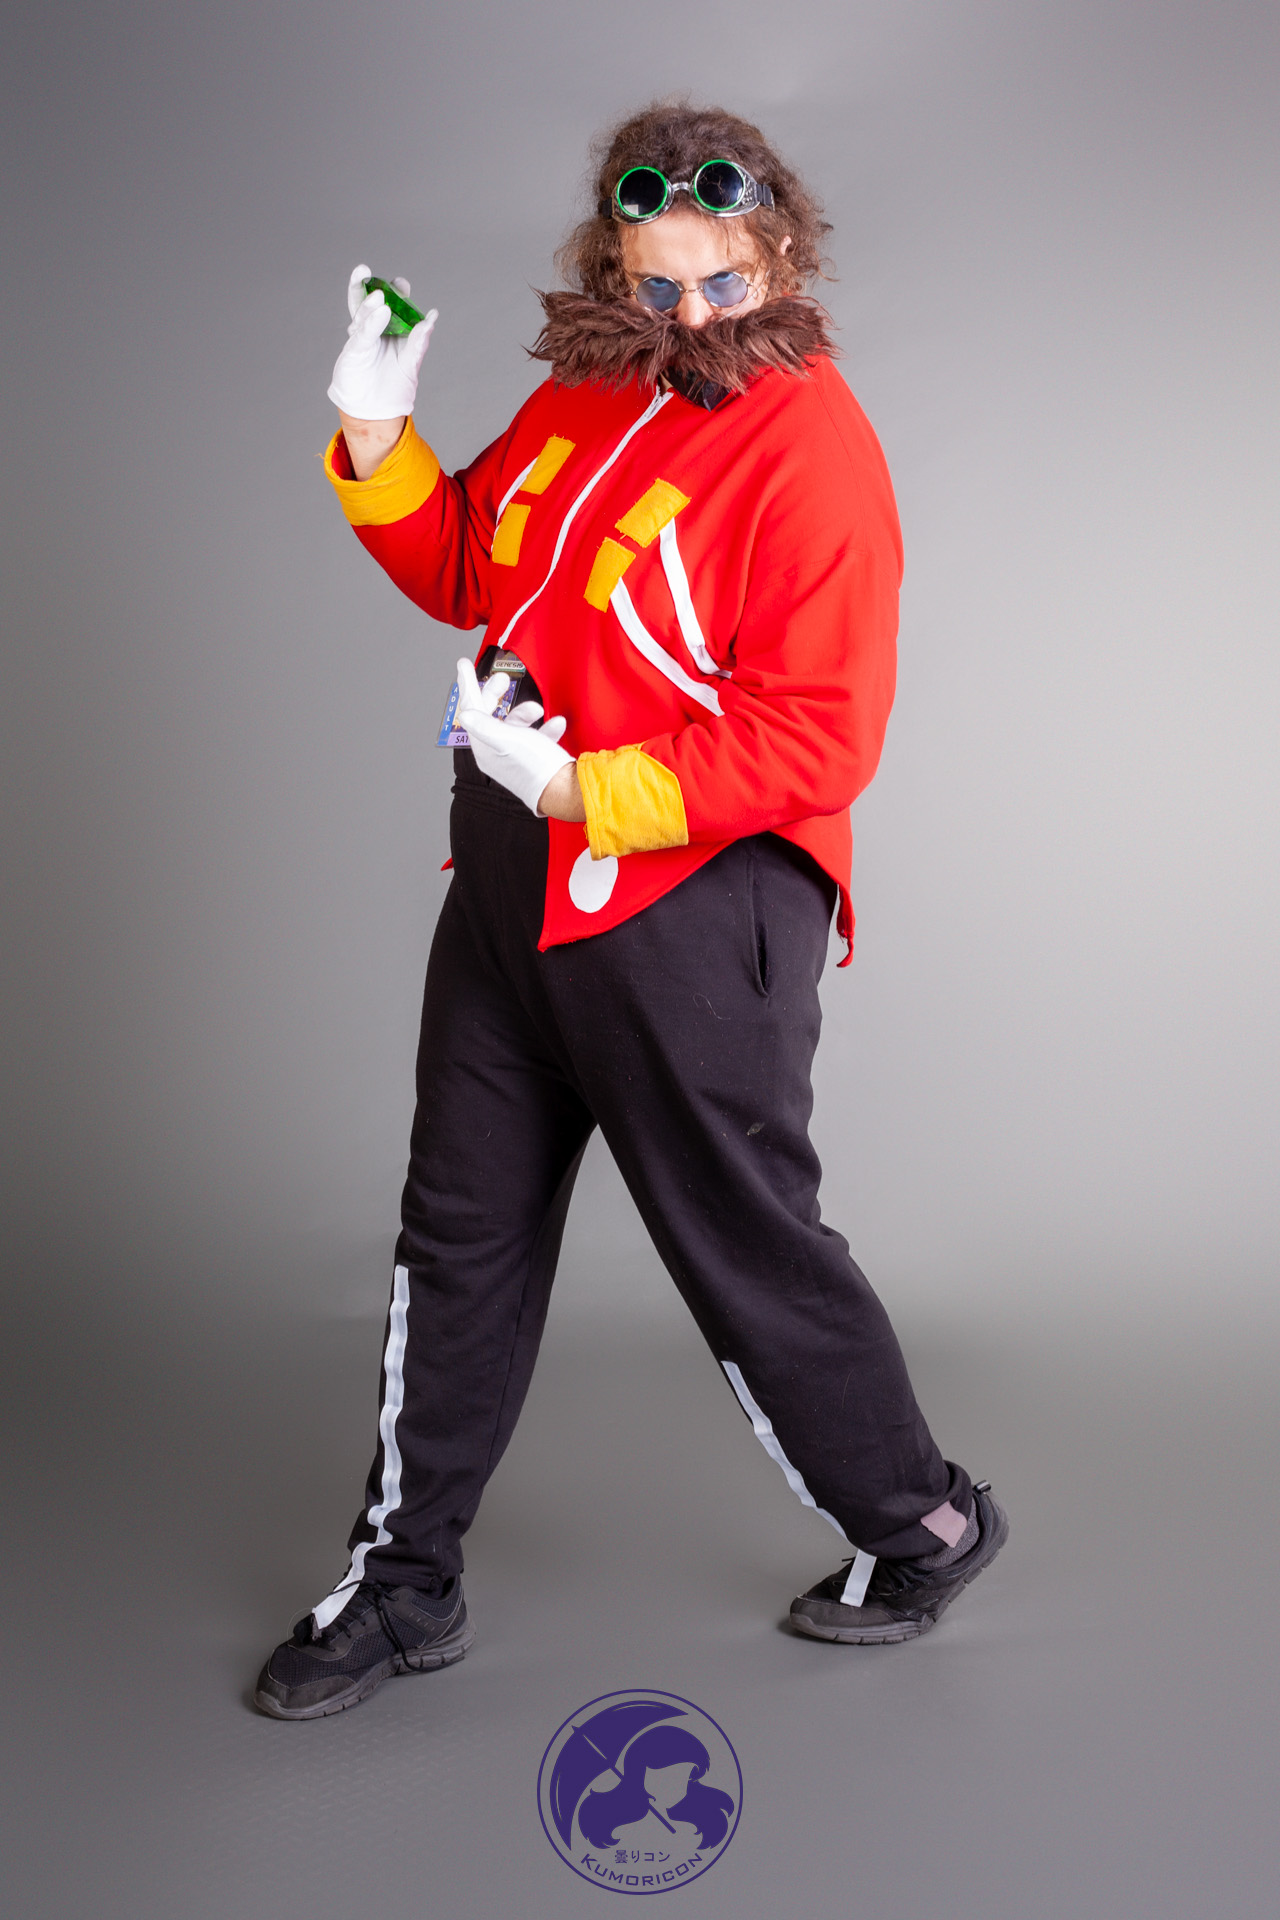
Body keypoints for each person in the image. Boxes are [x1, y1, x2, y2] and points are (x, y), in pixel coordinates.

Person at [254, 101, 1008, 1722]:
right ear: (614, 269)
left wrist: (585, 790)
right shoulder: (588, 385)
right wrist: (377, 431)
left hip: (688, 912)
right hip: (507, 892)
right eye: (657, 288)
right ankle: (402, 1580)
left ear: (780, 253)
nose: (693, 319)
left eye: (723, 285)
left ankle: (926, 1525)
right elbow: (470, 566)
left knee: (743, 1252)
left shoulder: (814, 446)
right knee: (456, 1237)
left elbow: (820, 740)